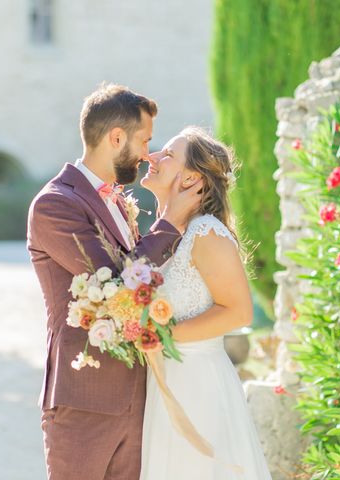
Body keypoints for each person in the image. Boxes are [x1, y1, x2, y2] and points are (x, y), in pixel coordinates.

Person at [26, 84, 202, 480]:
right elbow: (121, 286)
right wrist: (171, 222)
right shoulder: (56, 204)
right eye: (145, 140)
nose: (148, 154)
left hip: (139, 398)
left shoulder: (119, 200)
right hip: (84, 400)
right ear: (116, 138)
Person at [139, 126, 272, 479]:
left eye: (167, 155)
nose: (152, 157)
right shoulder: (166, 234)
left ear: (192, 178)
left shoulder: (205, 231)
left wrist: (159, 336)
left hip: (198, 385)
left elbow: (238, 311)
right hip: (166, 382)